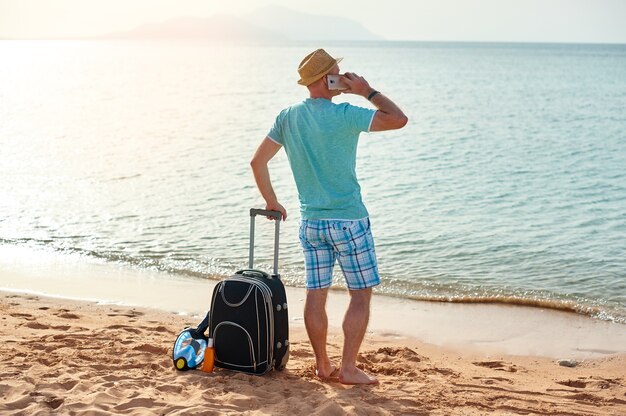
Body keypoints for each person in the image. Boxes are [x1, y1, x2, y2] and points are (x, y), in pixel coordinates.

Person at [250, 48, 407, 385]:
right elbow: (398, 118)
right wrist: (366, 91)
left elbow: (257, 162)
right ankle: (347, 368)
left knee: (316, 293)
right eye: (338, 72)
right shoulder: (347, 114)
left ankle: (323, 365)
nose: (343, 77)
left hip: (311, 224)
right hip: (350, 221)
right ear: (326, 79)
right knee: (360, 295)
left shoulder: (288, 116)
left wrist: (271, 202)